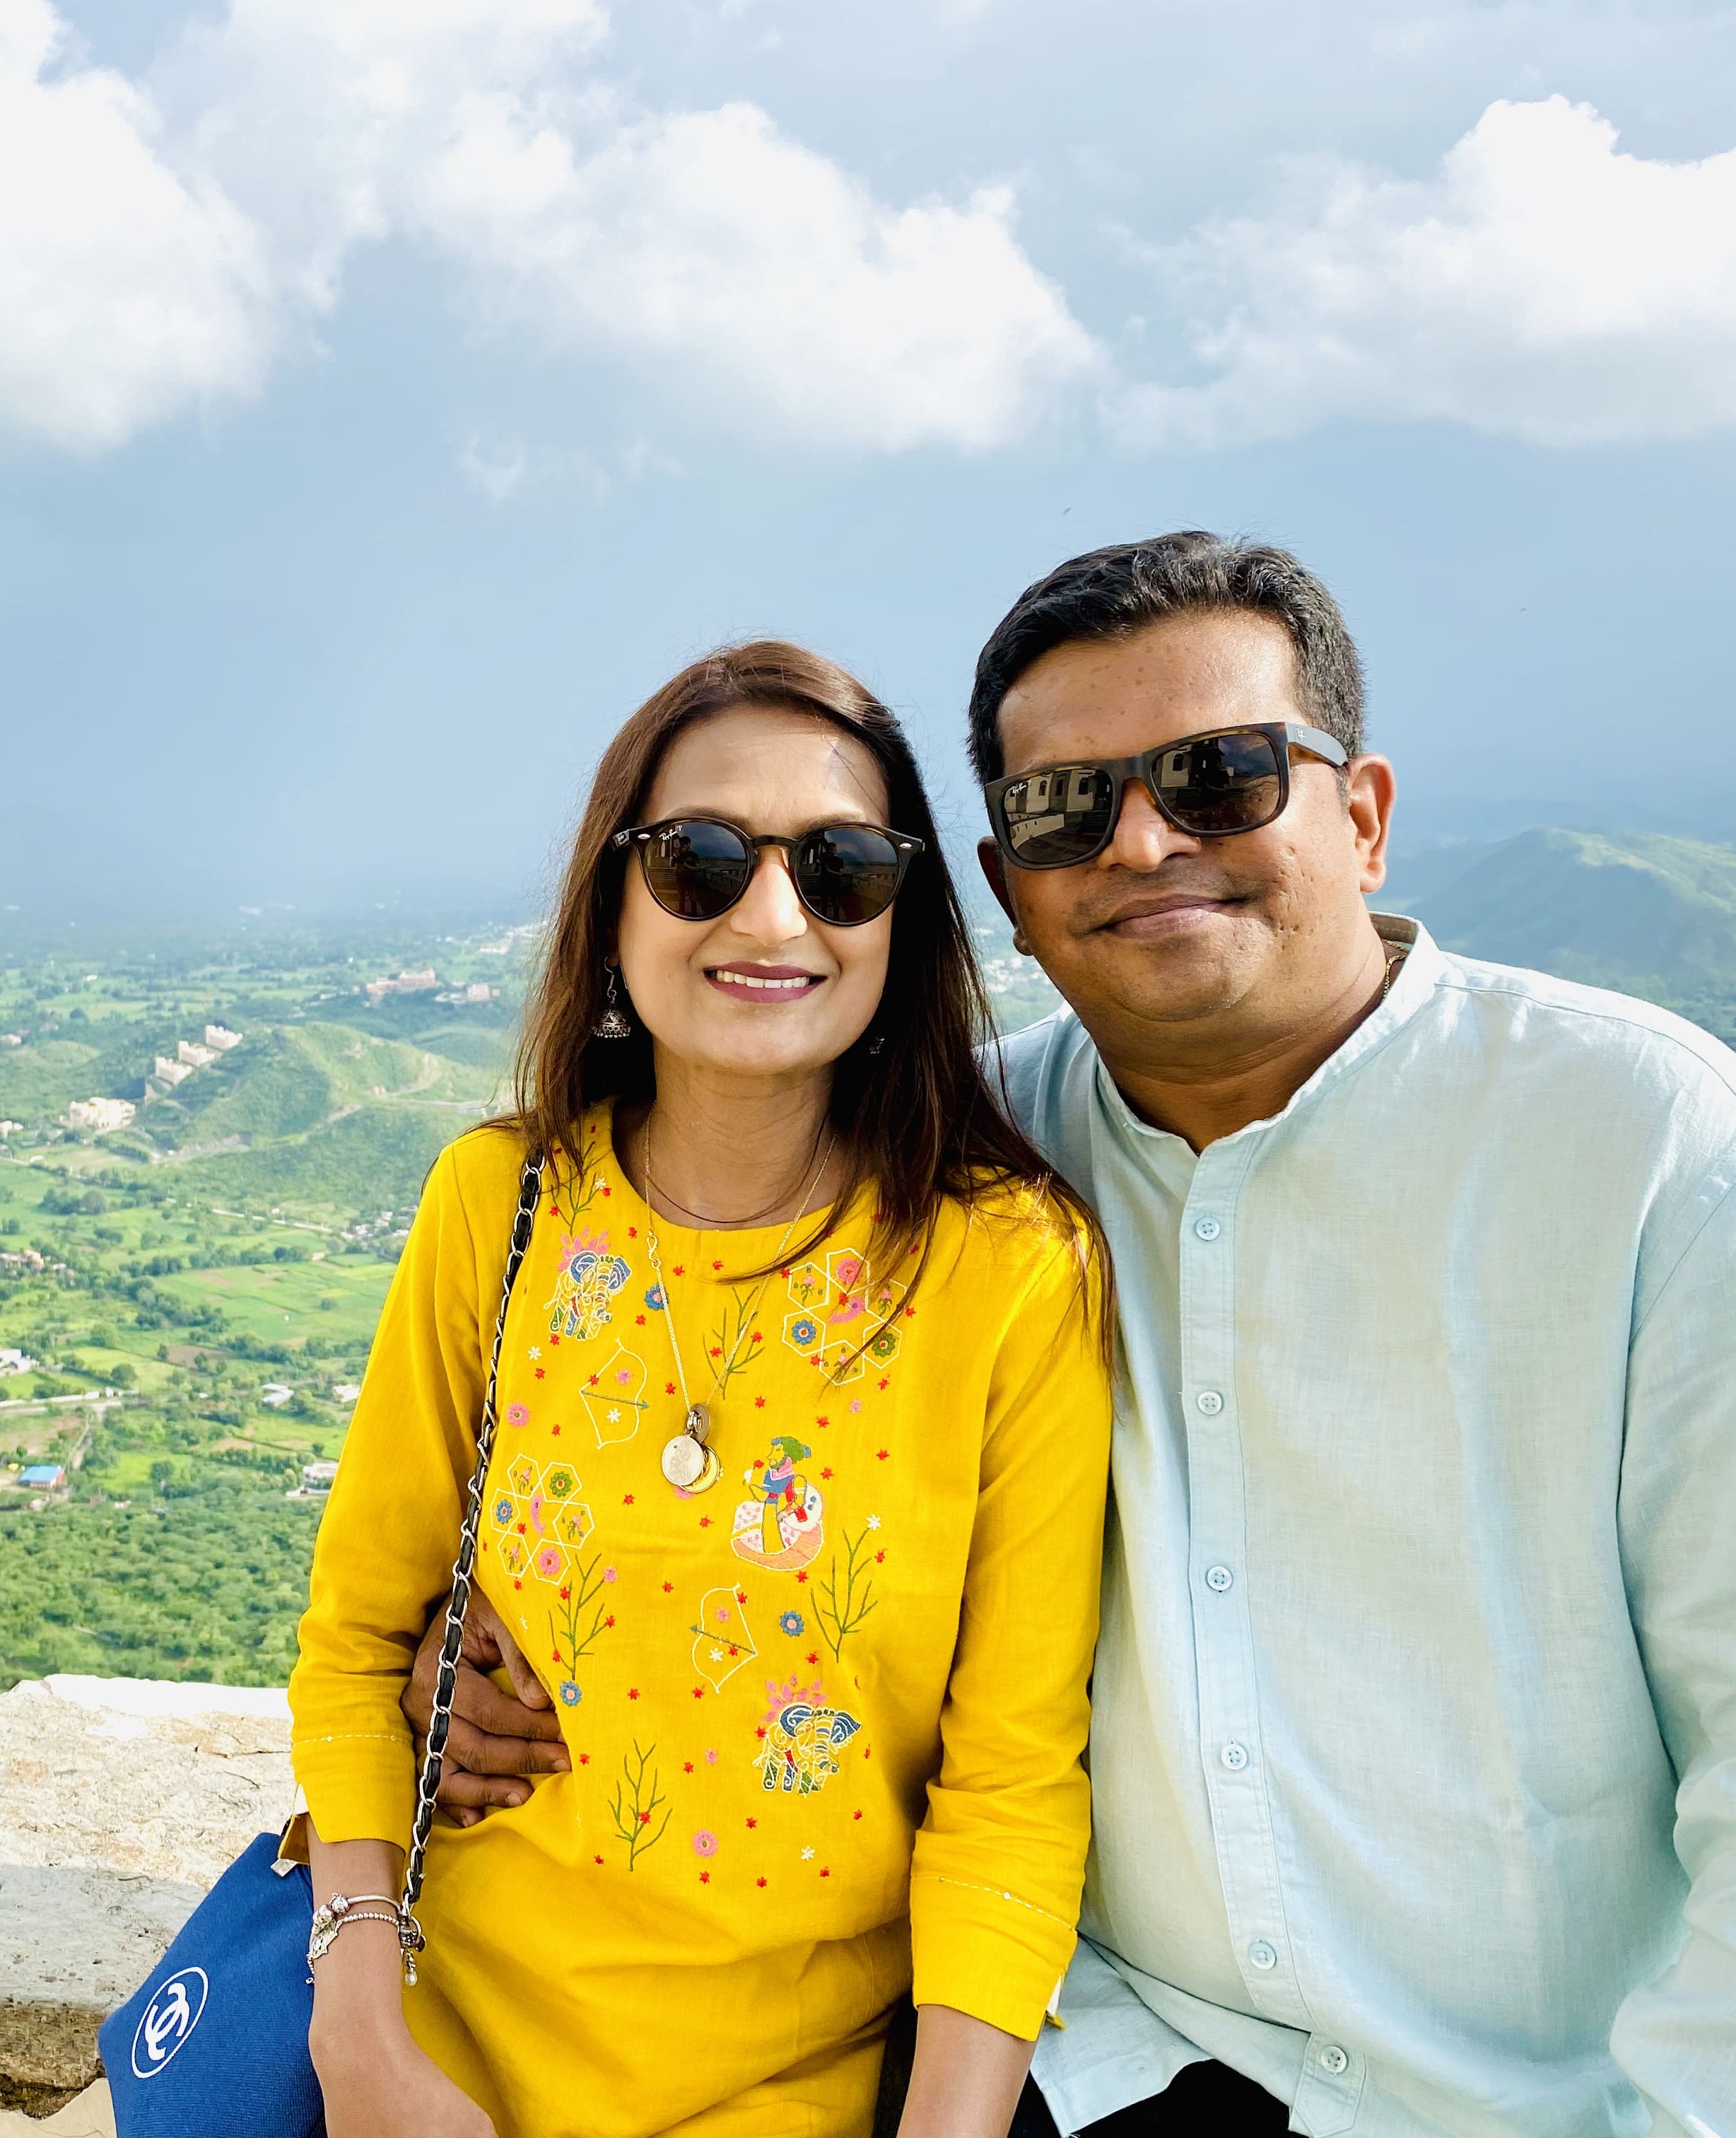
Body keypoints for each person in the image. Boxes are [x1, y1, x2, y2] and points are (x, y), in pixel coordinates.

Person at [421, 534, 1736, 2136]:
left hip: (1554, 2099)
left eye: (1220, 777)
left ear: (1364, 815)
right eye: (1068, 808)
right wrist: (461, 1662)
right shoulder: (966, 1187)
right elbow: (699, 1466)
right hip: (1111, 2065)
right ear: (1008, 890)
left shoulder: (1643, 1146)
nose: (1143, 841)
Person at [287, 641, 1117, 2138]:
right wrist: (361, 2035)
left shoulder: (1009, 1271)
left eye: (844, 868)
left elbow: (1011, 1786)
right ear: (613, 902)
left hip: (787, 2090)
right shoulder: (505, 1202)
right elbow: (354, 1647)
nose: (774, 914)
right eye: (703, 860)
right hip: (430, 2049)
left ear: (903, 918)